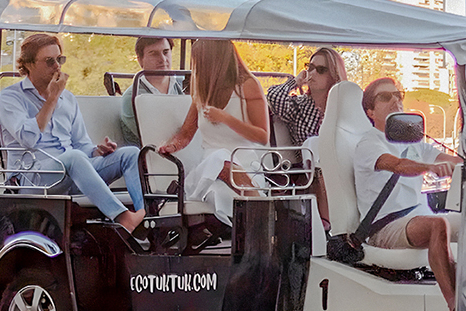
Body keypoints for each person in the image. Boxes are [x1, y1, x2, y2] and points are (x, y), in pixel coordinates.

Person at [0, 32, 145, 231]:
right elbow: (28, 139)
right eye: (49, 61)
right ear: (29, 64)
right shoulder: (11, 97)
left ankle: (145, 216)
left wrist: (97, 151)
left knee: (131, 154)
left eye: (60, 59)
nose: (57, 66)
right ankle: (122, 217)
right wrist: (52, 99)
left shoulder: (68, 99)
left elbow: (81, 144)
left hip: (72, 172)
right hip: (33, 177)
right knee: (73, 157)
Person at [353, 77, 461, 311]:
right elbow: (398, 165)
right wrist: (429, 167)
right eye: (385, 97)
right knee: (438, 225)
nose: (395, 100)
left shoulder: (414, 142)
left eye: (397, 95)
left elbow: (451, 160)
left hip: (415, 218)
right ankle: (456, 307)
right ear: (370, 111)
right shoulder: (368, 143)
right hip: (385, 227)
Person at [158, 39, 268, 226]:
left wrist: (226, 118)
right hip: (210, 170)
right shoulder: (201, 89)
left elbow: (263, 137)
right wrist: (172, 145)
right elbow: (186, 133)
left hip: (247, 166)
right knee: (218, 160)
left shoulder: (248, 85)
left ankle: (257, 210)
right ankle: (263, 210)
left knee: (222, 183)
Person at [265, 47, 347, 144]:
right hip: (307, 158)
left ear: (334, 75)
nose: (312, 72)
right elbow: (273, 97)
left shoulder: (343, 107)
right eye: (310, 67)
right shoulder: (300, 105)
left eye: (321, 69)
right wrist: (295, 81)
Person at [119, 36, 187, 146]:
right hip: (148, 157)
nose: (163, 59)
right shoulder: (132, 97)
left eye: (166, 52)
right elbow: (154, 138)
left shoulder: (182, 86)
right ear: (140, 60)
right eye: (154, 54)